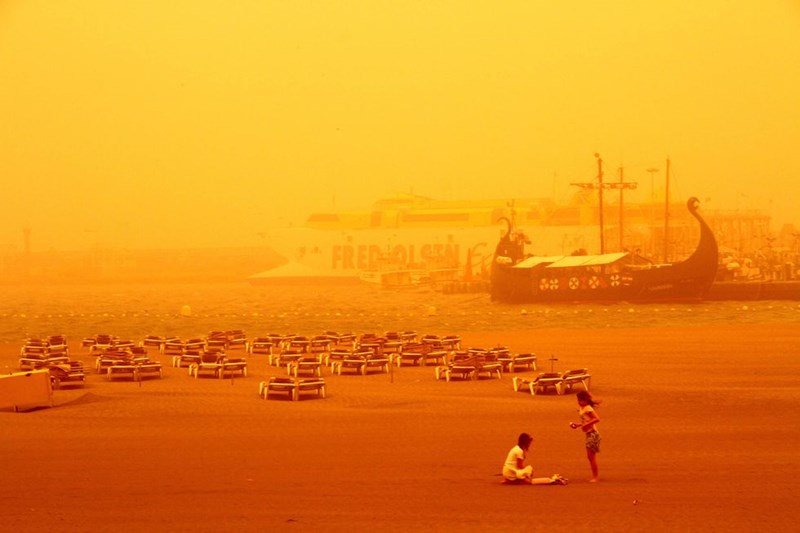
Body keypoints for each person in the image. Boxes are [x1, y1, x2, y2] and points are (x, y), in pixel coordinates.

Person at [501, 432, 567, 485]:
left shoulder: (516, 448)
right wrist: (528, 473)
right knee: (529, 481)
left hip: (507, 471)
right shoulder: (519, 451)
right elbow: (520, 466)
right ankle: (551, 481)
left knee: (526, 474)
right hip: (511, 472)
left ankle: (510, 480)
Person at [569, 390, 601, 482]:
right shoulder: (582, 408)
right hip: (588, 434)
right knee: (590, 457)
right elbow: (585, 421)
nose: (579, 402)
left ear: (586, 400)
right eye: (578, 400)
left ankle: (595, 477)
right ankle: (595, 476)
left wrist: (586, 425)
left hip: (593, 434)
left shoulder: (587, 408)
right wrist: (577, 425)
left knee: (591, 457)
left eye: (580, 400)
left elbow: (597, 419)